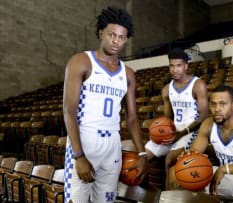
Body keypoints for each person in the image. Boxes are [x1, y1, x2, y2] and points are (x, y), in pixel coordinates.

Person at [63, 6, 147, 203]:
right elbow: (69, 111)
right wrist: (78, 156)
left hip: (112, 145)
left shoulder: (128, 74)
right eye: (112, 35)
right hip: (85, 141)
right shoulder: (81, 61)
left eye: (122, 37)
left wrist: (142, 153)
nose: (117, 41)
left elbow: (132, 118)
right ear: (101, 32)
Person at [170, 85, 233, 202]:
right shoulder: (208, 124)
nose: (217, 109)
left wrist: (226, 169)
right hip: (222, 175)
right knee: (176, 172)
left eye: (222, 104)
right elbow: (195, 152)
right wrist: (187, 158)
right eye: (213, 104)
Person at [144, 48, 209, 189]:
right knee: (142, 157)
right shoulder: (167, 89)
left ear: (186, 66)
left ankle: (167, 197)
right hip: (174, 131)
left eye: (178, 65)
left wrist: (182, 132)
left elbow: (204, 117)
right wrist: (162, 131)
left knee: (168, 160)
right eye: (171, 66)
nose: (174, 70)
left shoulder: (198, 85)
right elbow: (168, 118)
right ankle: (144, 195)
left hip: (192, 132)